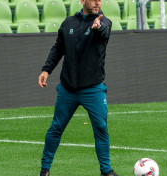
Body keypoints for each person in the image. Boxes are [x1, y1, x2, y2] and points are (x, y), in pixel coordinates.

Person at [37, 0, 118, 175]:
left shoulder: (104, 21)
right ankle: (44, 170)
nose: (97, 2)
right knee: (56, 128)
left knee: (101, 128)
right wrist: (46, 69)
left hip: (93, 89)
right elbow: (58, 47)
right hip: (68, 89)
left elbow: (103, 31)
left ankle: (106, 171)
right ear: (82, 0)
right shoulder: (68, 23)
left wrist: (98, 27)